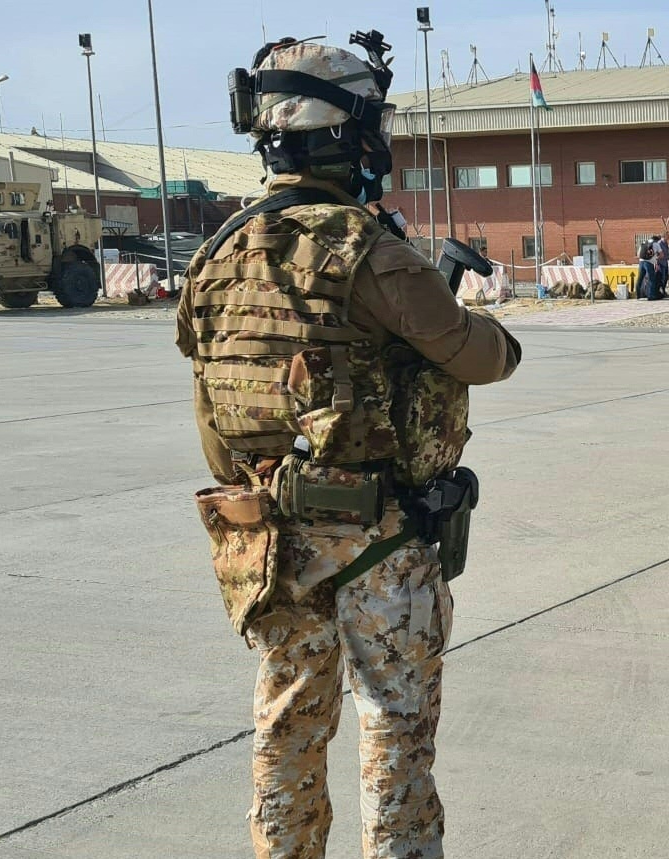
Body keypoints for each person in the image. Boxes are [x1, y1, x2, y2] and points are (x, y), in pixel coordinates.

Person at [177, 32, 522, 859]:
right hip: (377, 544)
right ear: (346, 134)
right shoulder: (368, 249)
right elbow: (485, 355)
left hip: (268, 543)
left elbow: (210, 416)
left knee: (285, 731)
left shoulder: (214, 257)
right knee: (394, 733)